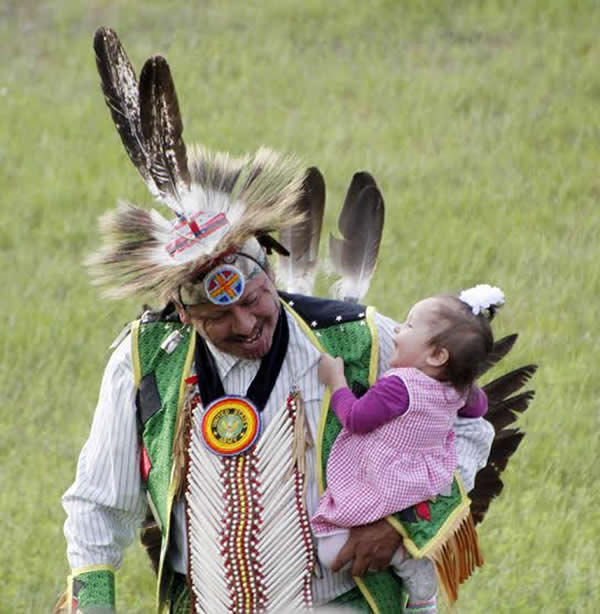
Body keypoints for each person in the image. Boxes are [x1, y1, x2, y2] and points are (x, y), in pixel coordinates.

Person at [54, 28, 496, 614]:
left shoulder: (354, 339)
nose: (244, 324)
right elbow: (98, 505)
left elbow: (466, 426)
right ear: (184, 313)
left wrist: (402, 525)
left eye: (254, 298)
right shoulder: (146, 362)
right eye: (217, 316)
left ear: (269, 271)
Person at [312, 286, 504, 613]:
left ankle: (408, 560)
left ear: (436, 355)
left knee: (331, 553)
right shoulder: (461, 391)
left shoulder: (398, 386)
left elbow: (357, 420)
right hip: (422, 480)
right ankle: (419, 580)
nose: (397, 330)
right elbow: (477, 408)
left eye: (409, 325)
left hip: (382, 480)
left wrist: (337, 383)